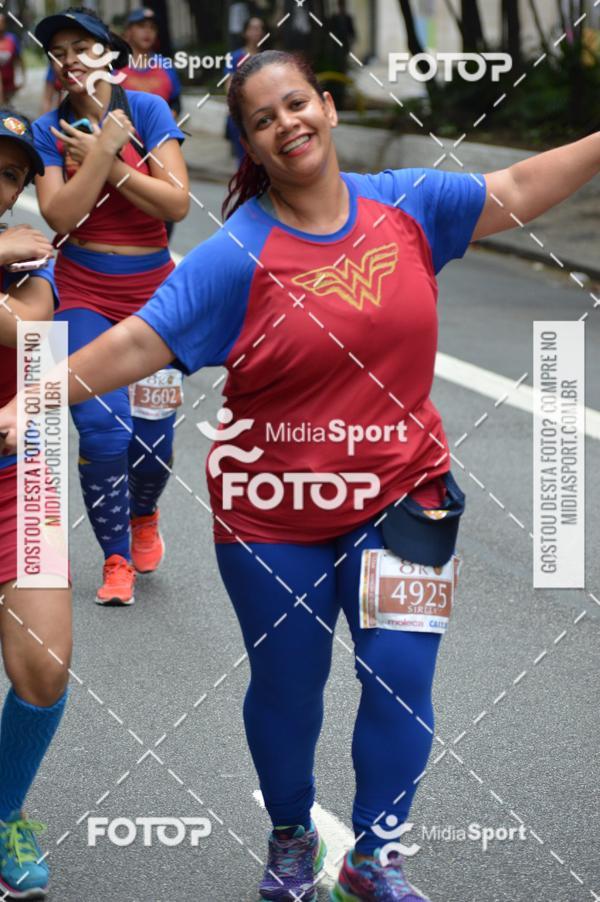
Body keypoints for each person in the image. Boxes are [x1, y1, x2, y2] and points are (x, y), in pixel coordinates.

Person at [1, 49, 599, 901]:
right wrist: (39, 392)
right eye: (264, 119)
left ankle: (374, 857)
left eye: (298, 104)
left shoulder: (410, 204)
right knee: (289, 685)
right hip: (273, 511)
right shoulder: (235, 255)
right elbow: (140, 343)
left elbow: (524, 187)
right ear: (249, 143)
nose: (289, 124)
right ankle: (291, 840)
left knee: (401, 671)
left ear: (325, 104)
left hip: (405, 494)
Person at [32, 6, 189, 607]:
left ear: (108, 55)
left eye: (81, 46)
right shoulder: (47, 129)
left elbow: (175, 204)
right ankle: (116, 556)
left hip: (154, 295)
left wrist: (111, 160)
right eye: (59, 51)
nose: (69, 58)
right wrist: (105, 153)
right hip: (83, 289)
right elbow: (61, 215)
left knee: (153, 439)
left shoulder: (147, 111)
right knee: (101, 426)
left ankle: (144, 513)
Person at [0, 109, 71, 899]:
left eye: (13, 174)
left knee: (45, 666)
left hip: (21, 469)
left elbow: (25, 329)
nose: (3, 184)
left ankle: (5, 812)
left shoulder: (32, 261)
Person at [120, 8, 182, 118]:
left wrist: (165, 121)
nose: (148, 31)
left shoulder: (166, 66)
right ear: (128, 31)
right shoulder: (115, 66)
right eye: (141, 26)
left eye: (152, 27)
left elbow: (176, 103)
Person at [225, 16, 266, 162]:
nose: (257, 32)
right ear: (245, 32)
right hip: (242, 116)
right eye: (253, 28)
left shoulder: (267, 57)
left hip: (264, 113)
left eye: (260, 28)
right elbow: (229, 86)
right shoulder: (235, 57)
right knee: (244, 161)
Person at [0, 13, 25, 106]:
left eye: (1, 22)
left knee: (6, 107)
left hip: (10, 82)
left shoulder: (12, 39)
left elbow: (19, 59)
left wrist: (22, 78)